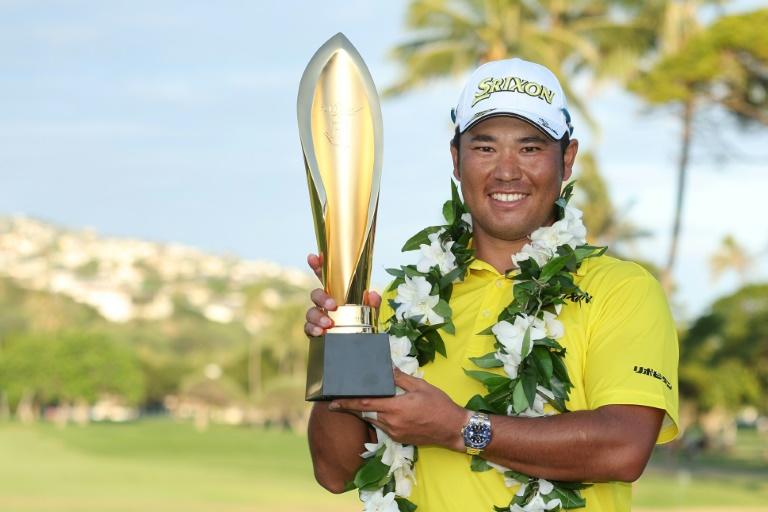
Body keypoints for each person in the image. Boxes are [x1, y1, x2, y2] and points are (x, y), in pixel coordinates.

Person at [303, 58, 679, 512]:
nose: (506, 171)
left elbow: (623, 447)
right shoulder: (404, 303)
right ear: (456, 160)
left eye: (529, 148)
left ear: (568, 159)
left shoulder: (622, 289)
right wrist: (339, 339)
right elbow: (336, 473)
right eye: (484, 148)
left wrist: (459, 428)